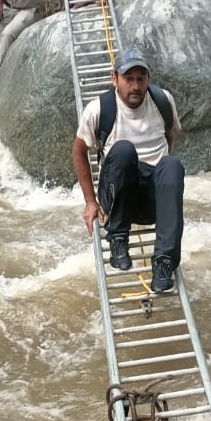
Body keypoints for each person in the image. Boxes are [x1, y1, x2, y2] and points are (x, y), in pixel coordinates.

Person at [72, 48, 184, 294]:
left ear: (148, 80)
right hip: (118, 196)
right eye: (128, 79)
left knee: (172, 165)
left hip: (151, 202)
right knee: (123, 151)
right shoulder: (99, 109)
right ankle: (118, 239)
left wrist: (165, 178)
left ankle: (164, 263)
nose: (135, 86)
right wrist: (90, 202)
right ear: (115, 79)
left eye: (140, 79)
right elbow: (79, 151)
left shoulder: (163, 102)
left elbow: (170, 137)